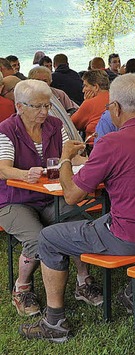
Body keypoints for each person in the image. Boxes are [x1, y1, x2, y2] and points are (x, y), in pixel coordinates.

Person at [19, 73, 135, 342]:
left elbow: (72, 196)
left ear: (117, 108)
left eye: (109, 107)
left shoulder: (111, 142)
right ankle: (126, 289)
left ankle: (54, 322)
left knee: (49, 236)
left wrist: (64, 159)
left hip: (131, 237)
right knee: (106, 217)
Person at [0, 79, 99, 317]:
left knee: (74, 226)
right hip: (14, 199)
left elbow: (70, 159)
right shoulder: (7, 130)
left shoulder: (54, 125)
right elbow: (3, 168)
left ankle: (83, 281)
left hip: (49, 196)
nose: (45, 112)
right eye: (38, 106)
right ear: (20, 106)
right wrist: (25, 174)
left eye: (47, 105)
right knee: (36, 238)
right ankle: (22, 287)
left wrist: (94, 163)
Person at [70, 70, 110, 143]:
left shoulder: (90, 103)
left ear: (96, 87)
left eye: (85, 86)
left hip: (94, 147)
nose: (83, 90)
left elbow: (72, 124)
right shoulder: (115, 98)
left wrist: (85, 102)